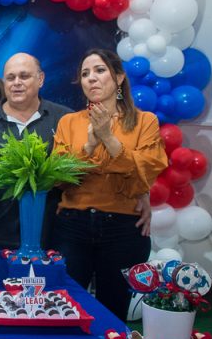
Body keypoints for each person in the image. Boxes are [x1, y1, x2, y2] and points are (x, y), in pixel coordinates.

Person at [50, 49, 167, 321]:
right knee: (65, 306)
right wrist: (90, 145)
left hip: (123, 228)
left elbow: (144, 175)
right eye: (85, 73)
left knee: (113, 310)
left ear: (118, 77)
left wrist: (108, 138)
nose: (91, 78)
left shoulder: (144, 121)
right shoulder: (69, 122)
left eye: (100, 70)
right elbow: (57, 178)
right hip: (73, 224)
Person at [0, 53, 71, 259]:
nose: (16, 83)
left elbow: (77, 177)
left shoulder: (64, 119)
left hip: (49, 241)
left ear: (40, 79)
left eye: (24, 76)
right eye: (10, 78)